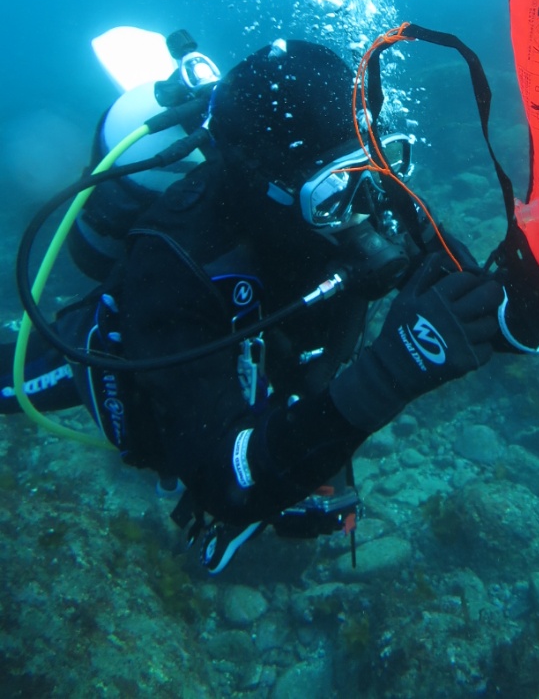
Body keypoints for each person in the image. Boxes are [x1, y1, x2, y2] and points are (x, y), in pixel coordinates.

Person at [1, 38, 507, 572]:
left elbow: (465, 282)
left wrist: (518, 312)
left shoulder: (361, 186)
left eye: (376, 166)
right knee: (21, 378)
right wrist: (388, 376)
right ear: (269, 190)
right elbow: (222, 480)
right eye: (334, 190)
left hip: (273, 359)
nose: (363, 207)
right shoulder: (176, 265)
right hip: (157, 367)